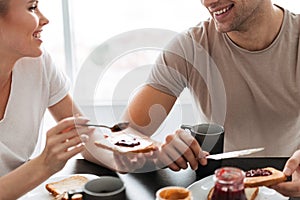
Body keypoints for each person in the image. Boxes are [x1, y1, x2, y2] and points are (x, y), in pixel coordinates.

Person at [118, 0, 300, 197]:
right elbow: (121, 138)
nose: (207, 2)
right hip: (212, 188)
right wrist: (156, 153)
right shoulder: (190, 47)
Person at [0, 0, 94, 199]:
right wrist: (44, 164)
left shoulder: (38, 63)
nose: (45, 19)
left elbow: (85, 136)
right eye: (32, 7)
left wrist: (139, 156)